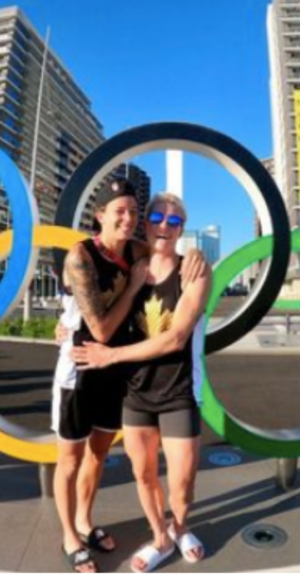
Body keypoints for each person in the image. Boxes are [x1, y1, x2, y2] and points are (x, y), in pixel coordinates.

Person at [54, 180, 207, 573]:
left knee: (123, 462)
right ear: (100, 215)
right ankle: (83, 535)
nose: (162, 224)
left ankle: (162, 526)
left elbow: (175, 333)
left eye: (173, 220)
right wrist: (69, 324)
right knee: (90, 464)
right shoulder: (98, 257)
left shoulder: (162, 260)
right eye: (154, 216)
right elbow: (98, 326)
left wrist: (196, 252)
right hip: (104, 377)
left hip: (137, 379)